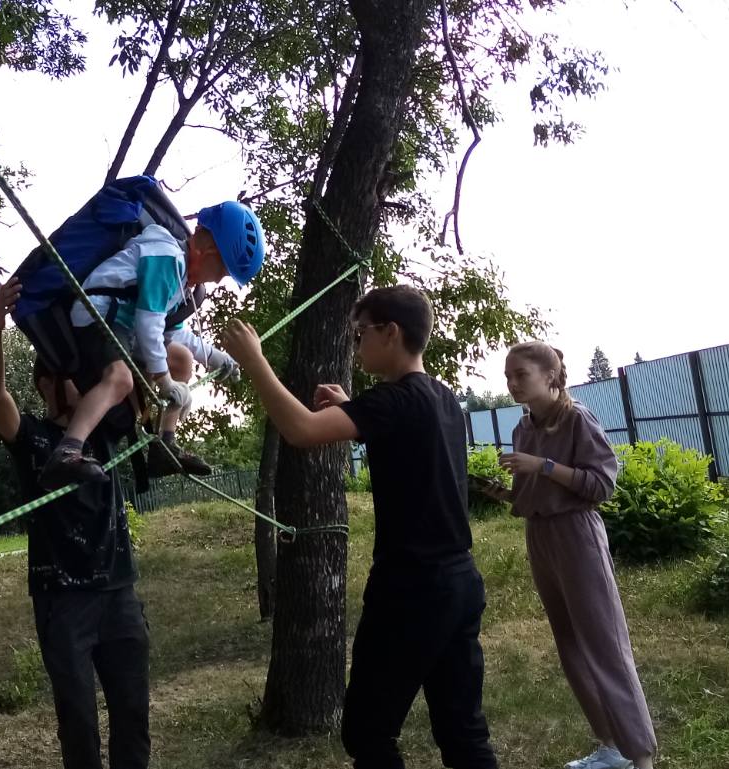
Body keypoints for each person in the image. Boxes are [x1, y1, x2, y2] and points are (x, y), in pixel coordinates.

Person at [220, 284, 499, 769]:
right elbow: (405, 444)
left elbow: (301, 430)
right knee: (462, 730)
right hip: (458, 583)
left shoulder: (392, 401)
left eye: (360, 333)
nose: (356, 344)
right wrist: (352, 407)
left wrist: (254, 361)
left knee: (368, 733)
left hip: (410, 589)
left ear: (390, 332)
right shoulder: (442, 399)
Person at [0, 279, 151, 769]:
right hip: (63, 601)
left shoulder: (106, 431)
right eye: (72, 375)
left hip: (119, 593)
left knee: (132, 715)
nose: (85, 382)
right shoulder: (31, 438)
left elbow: (134, 372)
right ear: (47, 384)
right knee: (78, 723)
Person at [479, 341, 657, 769]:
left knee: (605, 645)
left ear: (550, 376)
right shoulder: (524, 428)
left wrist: (541, 465)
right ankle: (610, 747)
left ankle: (642, 756)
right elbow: (534, 494)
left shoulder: (578, 418)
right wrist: (504, 493)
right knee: (570, 644)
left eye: (521, 374)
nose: (512, 383)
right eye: (508, 376)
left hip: (578, 535)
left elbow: (601, 486)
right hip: (539, 535)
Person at [40, 200, 265, 489]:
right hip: (100, 315)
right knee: (120, 380)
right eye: (223, 270)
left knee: (182, 358)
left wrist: (215, 357)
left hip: (126, 325)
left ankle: (164, 446)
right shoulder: (167, 258)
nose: (220, 280)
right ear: (210, 251)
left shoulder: (181, 280)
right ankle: (68, 450)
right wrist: (165, 382)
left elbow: (172, 334)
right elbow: (149, 324)